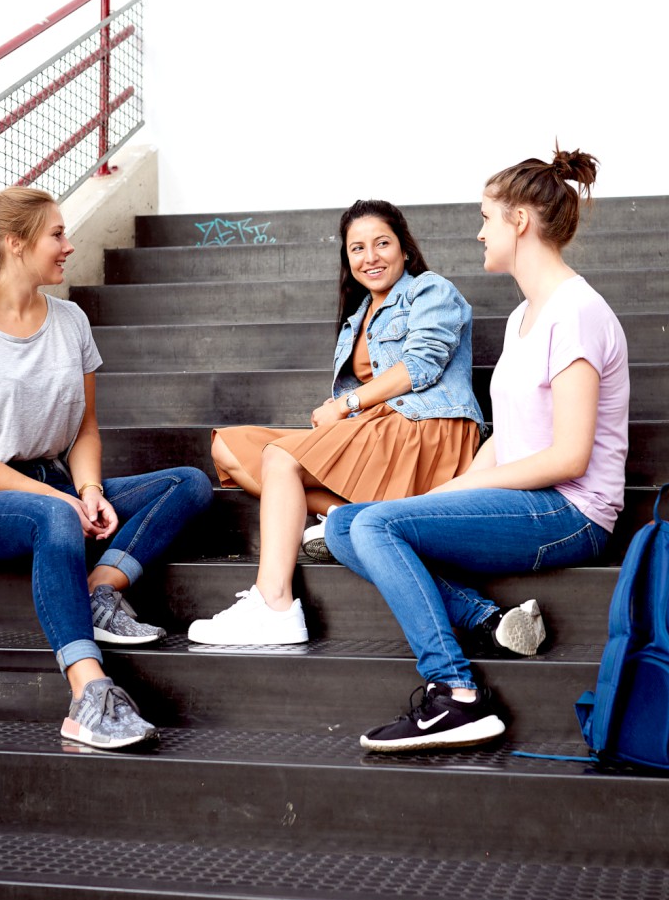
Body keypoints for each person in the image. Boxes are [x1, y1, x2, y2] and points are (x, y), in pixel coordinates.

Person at [323, 149, 630, 752]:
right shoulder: (522, 317)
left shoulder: (577, 313)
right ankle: (483, 619)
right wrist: (445, 493)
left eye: (487, 217)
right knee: (344, 526)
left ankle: (457, 694)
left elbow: (569, 457)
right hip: (528, 497)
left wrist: (457, 493)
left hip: (572, 511)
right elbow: (507, 439)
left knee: (379, 526)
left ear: (519, 222)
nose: (479, 231)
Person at [0, 187, 212, 750]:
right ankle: (89, 693)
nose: (69, 246)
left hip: (57, 482)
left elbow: (84, 426)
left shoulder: (70, 320)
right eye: (56, 234)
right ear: (15, 243)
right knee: (54, 519)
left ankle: (100, 591)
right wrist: (57, 500)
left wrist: (89, 488)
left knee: (189, 483)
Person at [193, 200, 485, 645]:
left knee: (280, 460)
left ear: (404, 249)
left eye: (382, 243)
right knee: (228, 449)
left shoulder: (431, 290)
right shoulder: (355, 319)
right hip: (374, 429)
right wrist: (345, 415)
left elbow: (422, 365)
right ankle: (340, 517)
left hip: (425, 429)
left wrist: (345, 405)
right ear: (347, 260)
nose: (371, 257)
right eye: (357, 249)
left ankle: (274, 604)